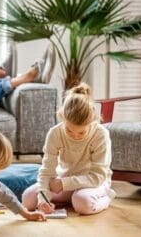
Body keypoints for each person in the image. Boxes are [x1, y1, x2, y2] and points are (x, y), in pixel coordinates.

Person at [21, 83, 115, 215]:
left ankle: (106, 198)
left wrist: (64, 184)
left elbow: (97, 176)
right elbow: (47, 171)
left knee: (82, 203)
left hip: (94, 183)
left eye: (81, 132)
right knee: (28, 199)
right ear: (62, 117)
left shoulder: (100, 134)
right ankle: (70, 199)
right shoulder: (55, 133)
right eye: (69, 130)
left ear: (93, 121)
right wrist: (43, 200)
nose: (75, 136)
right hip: (64, 181)